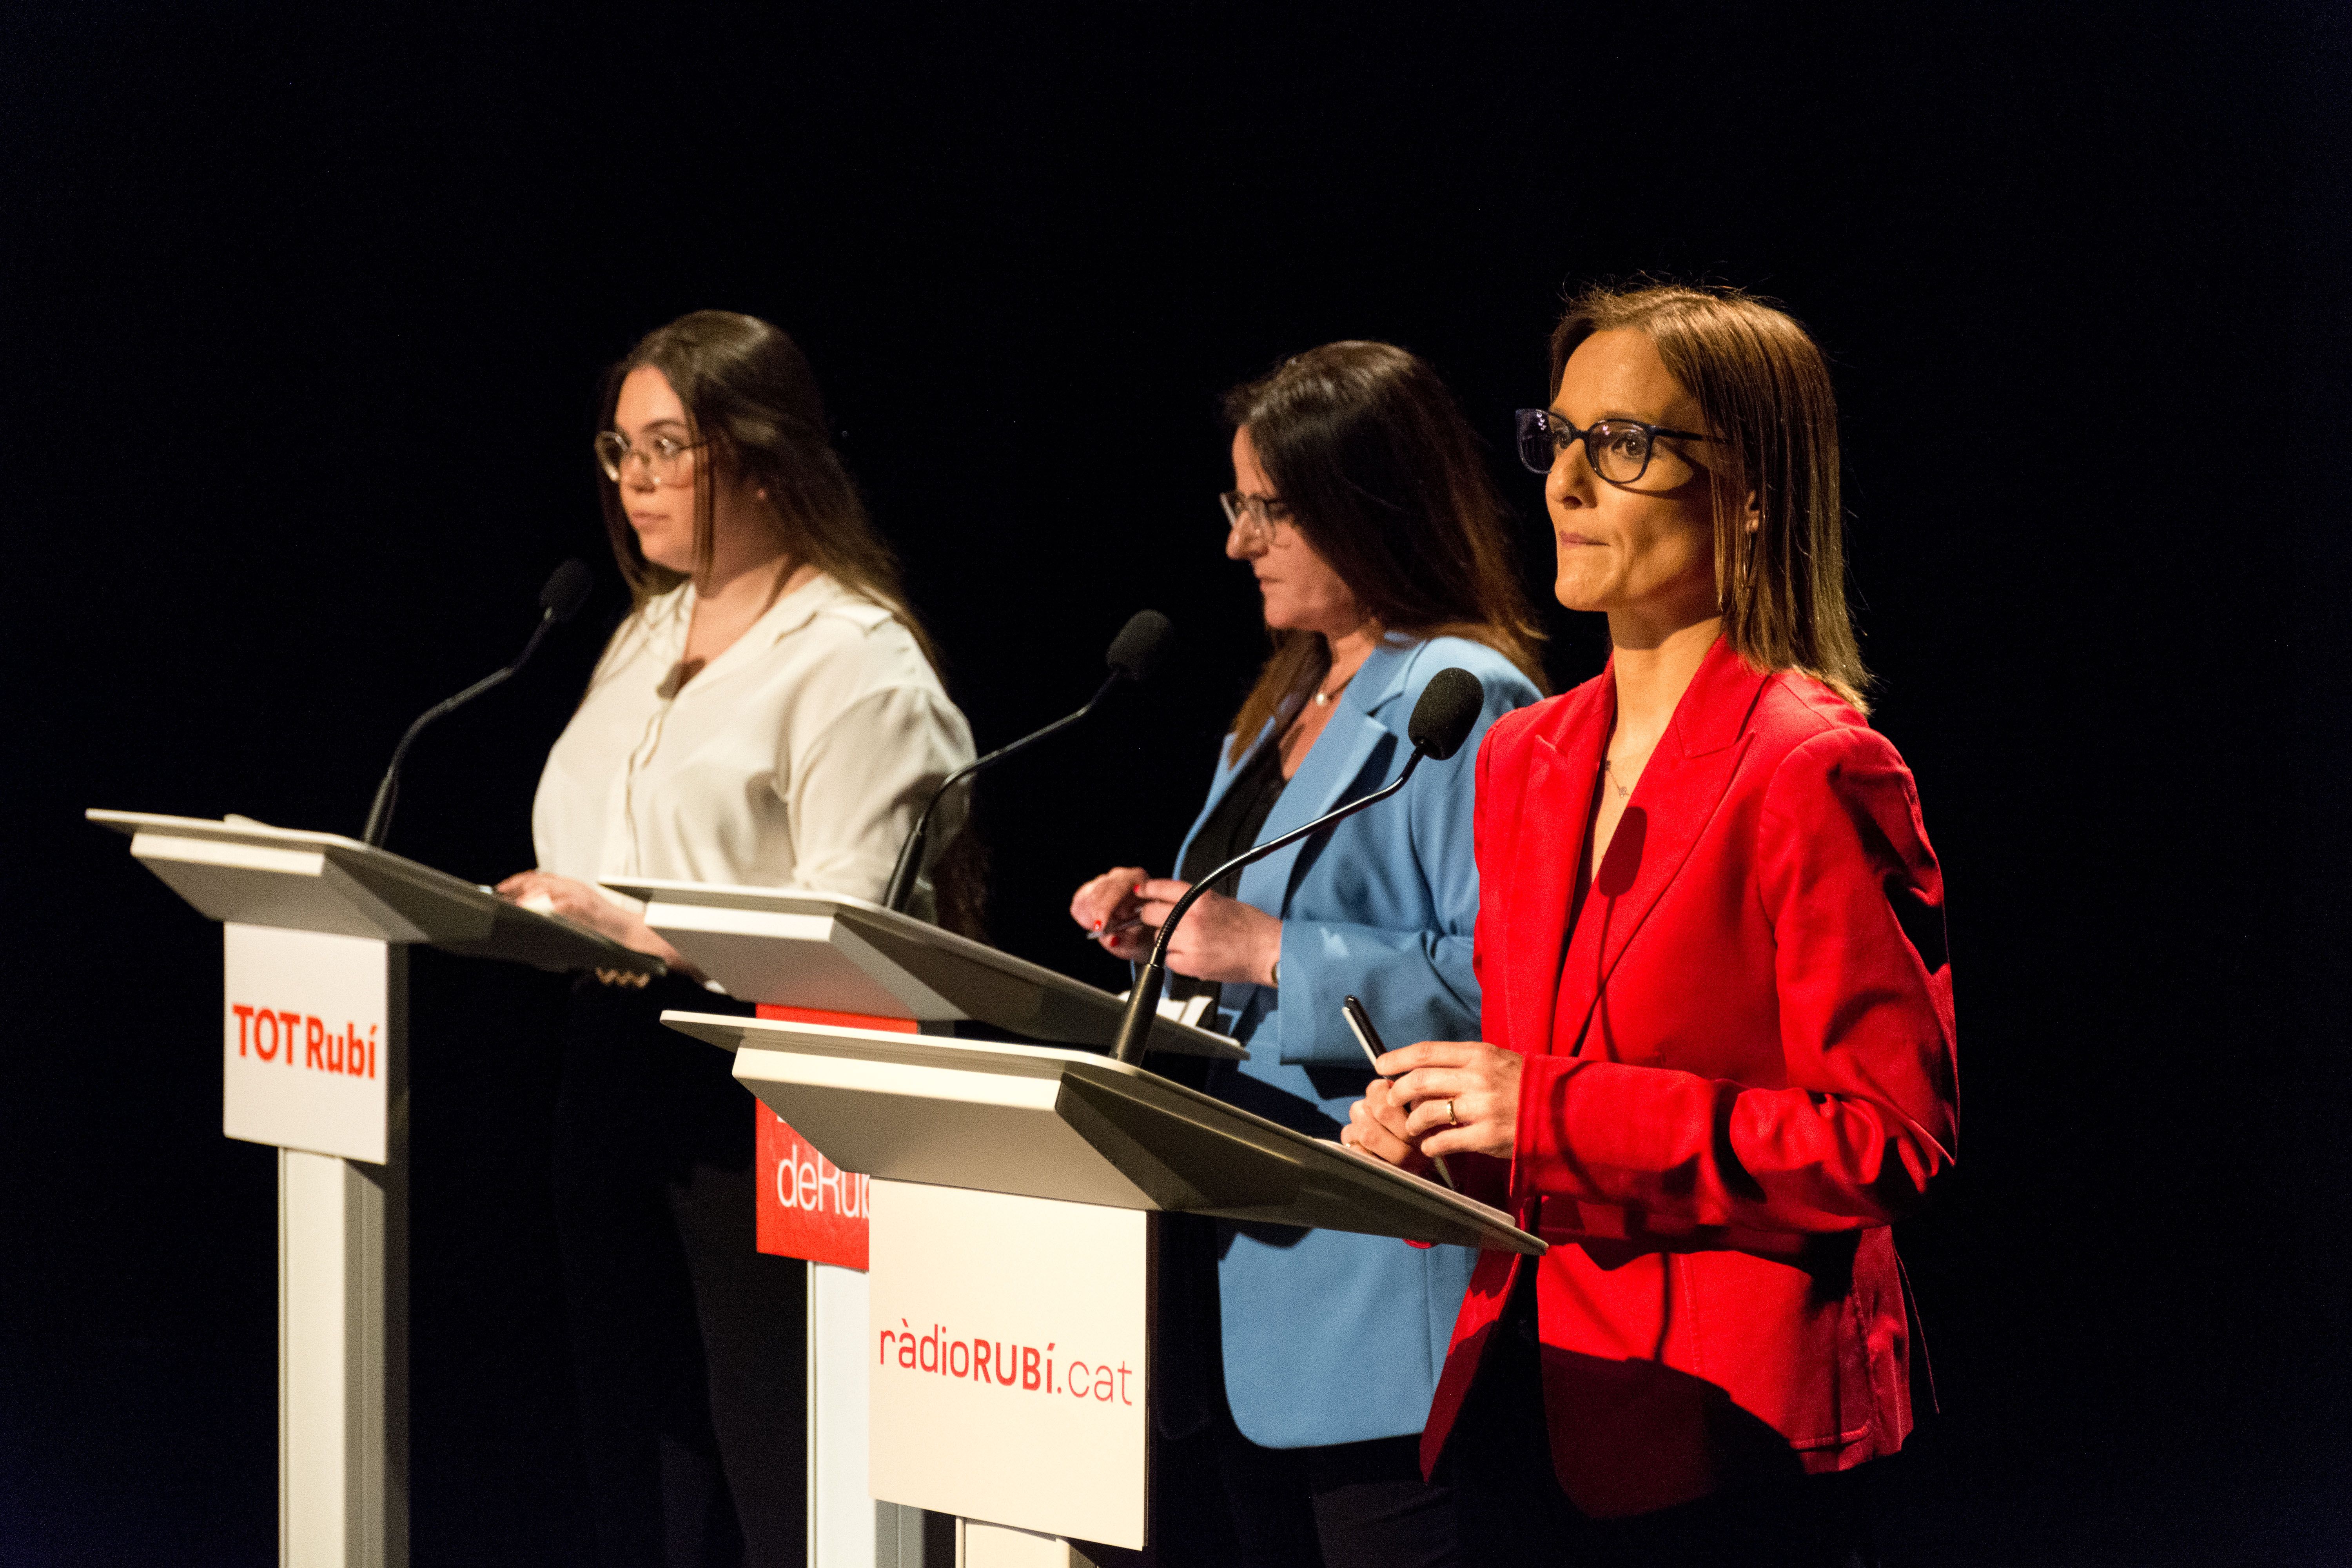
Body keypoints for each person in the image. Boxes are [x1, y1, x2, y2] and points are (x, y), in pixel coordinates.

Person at [1342, 283, 1959, 1567]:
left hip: (1724, 1440)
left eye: (1621, 445)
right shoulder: (1523, 756)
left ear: (1749, 492)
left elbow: (1889, 1143)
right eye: (1558, 438)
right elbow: (1534, 1112)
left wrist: (1549, 1108)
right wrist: (1428, 1141)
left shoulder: (1815, 769)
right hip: (1527, 1390)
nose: (1566, 484)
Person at [496, 310, 975, 1567]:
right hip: (607, 1065)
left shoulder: (854, 664)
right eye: (620, 448)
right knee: (641, 1455)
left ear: (765, 460)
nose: (635, 479)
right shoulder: (647, 626)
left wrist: (648, 931)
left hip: (765, 1094)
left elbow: (854, 934)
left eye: (669, 447)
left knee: (779, 1460)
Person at [1070, 341, 1546, 1567]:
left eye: (1269, 509)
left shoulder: (1462, 694)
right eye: (1239, 505)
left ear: (1369, 499)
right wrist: (1162, 934)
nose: (1240, 543)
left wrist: (1277, 949)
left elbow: (1506, 993)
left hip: (1370, 1299)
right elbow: (1227, 948)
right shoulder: (1289, 698)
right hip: (1228, 1277)